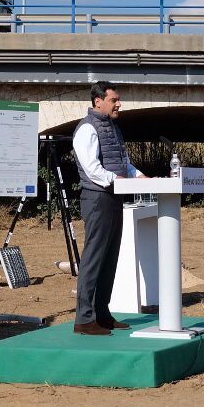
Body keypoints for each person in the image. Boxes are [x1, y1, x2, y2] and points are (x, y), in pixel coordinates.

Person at [71, 81, 144, 335]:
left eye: (118, 99)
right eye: (114, 100)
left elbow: (123, 163)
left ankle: (102, 314)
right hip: (98, 199)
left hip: (114, 197)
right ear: (98, 101)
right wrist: (116, 180)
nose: (119, 104)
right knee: (94, 259)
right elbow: (92, 168)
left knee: (110, 258)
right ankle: (84, 318)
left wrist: (141, 178)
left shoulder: (113, 128)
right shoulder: (87, 129)